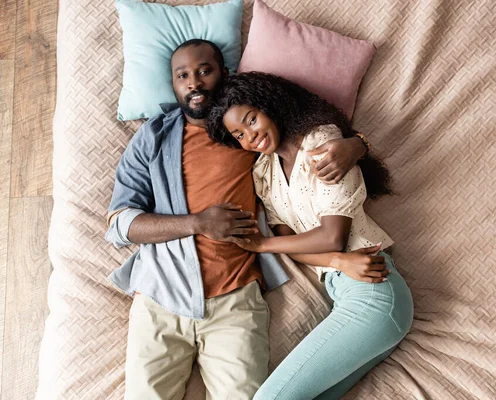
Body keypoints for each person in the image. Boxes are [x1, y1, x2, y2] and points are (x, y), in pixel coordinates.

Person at [105, 39, 373, 400]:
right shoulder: (151, 139)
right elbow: (121, 224)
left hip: (236, 301)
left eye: (204, 71)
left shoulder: (248, 137)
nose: (194, 83)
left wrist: (356, 144)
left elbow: (304, 135)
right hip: (160, 296)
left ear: (225, 74)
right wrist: (197, 223)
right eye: (182, 75)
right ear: (172, 84)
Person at [207, 72, 414, 400]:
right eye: (239, 134)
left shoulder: (322, 143)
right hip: (344, 288)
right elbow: (295, 246)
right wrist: (336, 261)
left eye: (251, 119)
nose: (250, 135)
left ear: (269, 106)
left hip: (374, 291)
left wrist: (262, 245)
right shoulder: (264, 173)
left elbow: (331, 236)